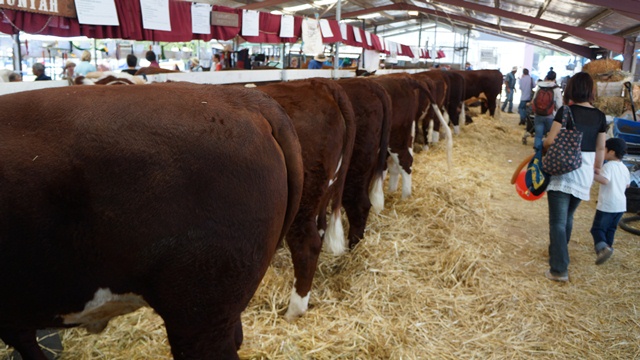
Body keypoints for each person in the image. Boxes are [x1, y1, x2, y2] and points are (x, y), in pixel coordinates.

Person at [543, 72, 607, 282]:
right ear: (590, 90)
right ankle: (558, 253)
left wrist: (543, 143)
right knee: (567, 217)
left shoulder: (566, 111)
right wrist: (597, 168)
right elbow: (601, 147)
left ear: (571, 89)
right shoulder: (600, 116)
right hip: (585, 173)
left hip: (564, 171)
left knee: (558, 222)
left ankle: (559, 268)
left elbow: (551, 140)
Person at [590, 138, 630, 265]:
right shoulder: (624, 168)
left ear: (611, 152)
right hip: (621, 205)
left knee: (597, 229)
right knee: (611, 229)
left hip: (608, 204)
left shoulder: (608, 166)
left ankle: (603, 248)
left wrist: (589, 174)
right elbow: (627, 185)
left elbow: (605, 180)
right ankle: (608, 248)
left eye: (604, 150)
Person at [531, 72, 563, 152]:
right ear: (555, 79)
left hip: (538, 114)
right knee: (550, 135)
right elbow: (559, 104)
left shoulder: (540, 86)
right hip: (550, 115)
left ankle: (537, 152)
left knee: (538, 135)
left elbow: (534, 99)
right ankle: (548, 152)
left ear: (546, 77)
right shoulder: (556, 88)